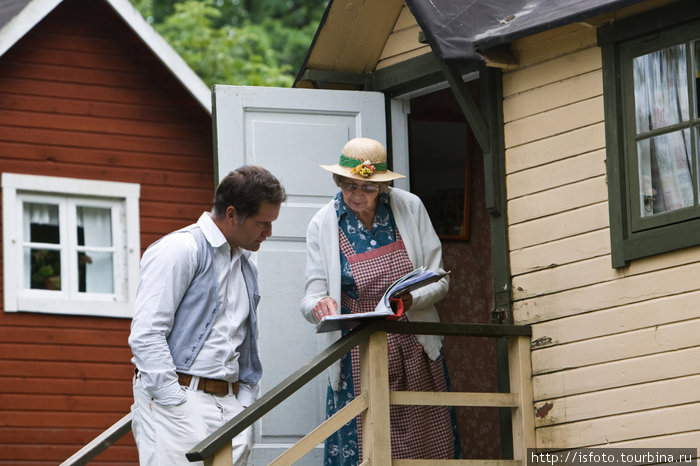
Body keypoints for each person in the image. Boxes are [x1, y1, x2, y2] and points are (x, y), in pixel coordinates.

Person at [301, 137, 460, 464]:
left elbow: (439, 278)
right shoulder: (324, 223)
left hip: (413, 347)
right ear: (338, 181)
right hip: (356, 353)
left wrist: (409, 301)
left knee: (424, 447)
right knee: (365, 449)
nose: (357, 195)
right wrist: (318, 306)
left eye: (367, 188)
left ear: (384, 186)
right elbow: (312, 296)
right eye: (349, 186)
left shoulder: (409, 207)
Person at [129, 165, 286, 466]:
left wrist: (244, 403)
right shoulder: (180, 249)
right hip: (178, 401)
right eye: (262, 223)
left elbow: (242, 341)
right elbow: (147, 333)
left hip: (230, 405)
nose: (269, 232)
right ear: (231, 215)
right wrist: (173, 400)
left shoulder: (247, 266)